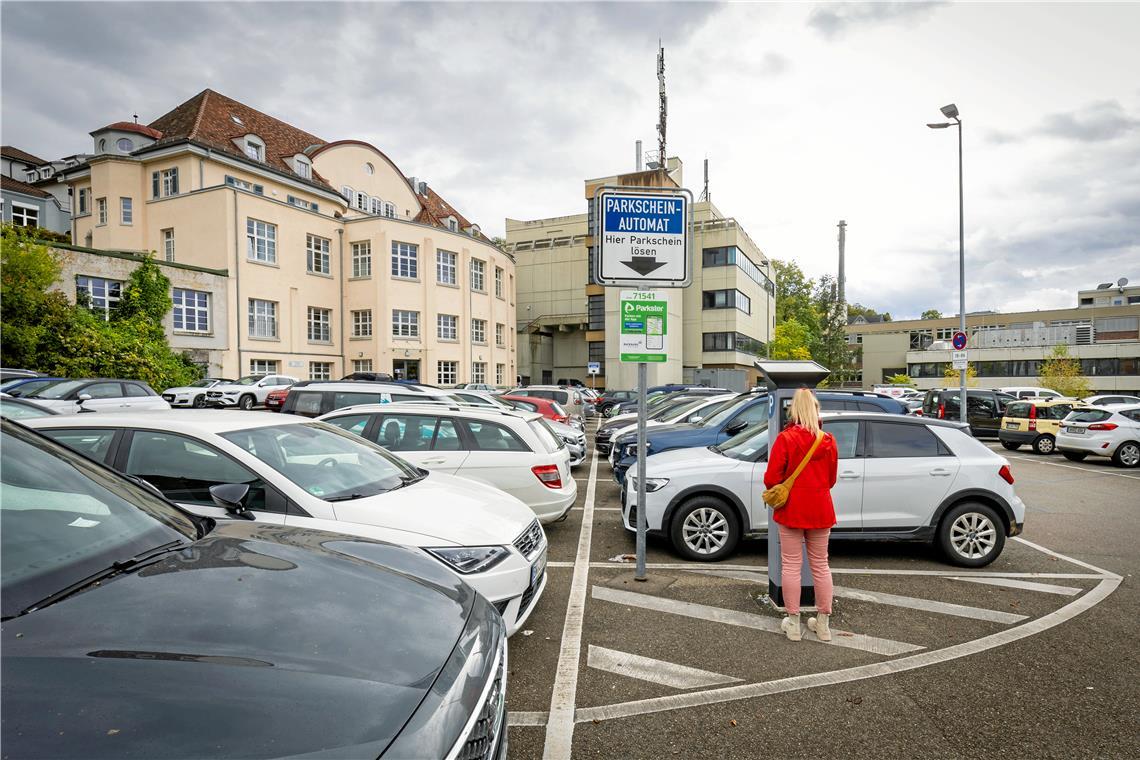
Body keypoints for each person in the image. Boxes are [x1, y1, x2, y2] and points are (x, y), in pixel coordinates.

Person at [763, 388, 839, 642]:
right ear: (817, 410)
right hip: (820, 509)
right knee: (821, 565)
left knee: (791, 566)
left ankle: (793, 624)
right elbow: (831, 480)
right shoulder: (828, 440)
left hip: (792, 510)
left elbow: (771, 478)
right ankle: (824, 624)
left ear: (793, 410)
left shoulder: (786, 439)